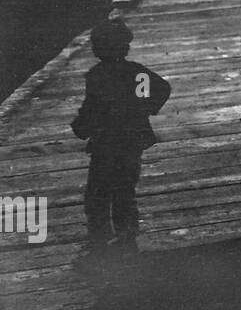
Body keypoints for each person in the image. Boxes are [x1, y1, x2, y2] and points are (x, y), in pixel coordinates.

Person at [71, 18, 172, 263]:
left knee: (97, 193)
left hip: (105, 143)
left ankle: (99, 241)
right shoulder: (135, 73)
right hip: (131, 141)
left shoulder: (97, 76)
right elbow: (162, 89)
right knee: (124, 191)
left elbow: (92, 107)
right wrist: (143, 109)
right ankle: (126, 239)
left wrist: (81, 127)